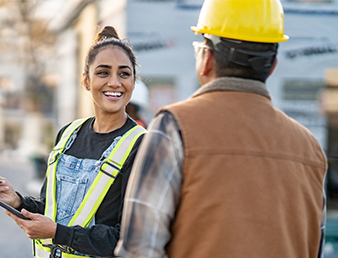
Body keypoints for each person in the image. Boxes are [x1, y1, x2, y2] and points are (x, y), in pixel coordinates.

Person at [115, 0, 327, 257]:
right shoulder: (310, 149)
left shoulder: (174, 127)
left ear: (206, 58)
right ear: (271, 67)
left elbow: (139, 250)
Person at [0, 26, 146, 258]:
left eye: (124, 73)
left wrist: (58, 233)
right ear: (86, 81)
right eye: (103, 72)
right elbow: (53, 208)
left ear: (133, 81)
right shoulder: (68, 135)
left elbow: (130, 238)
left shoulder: (142, 146)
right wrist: (16, 200)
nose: (114, 82)